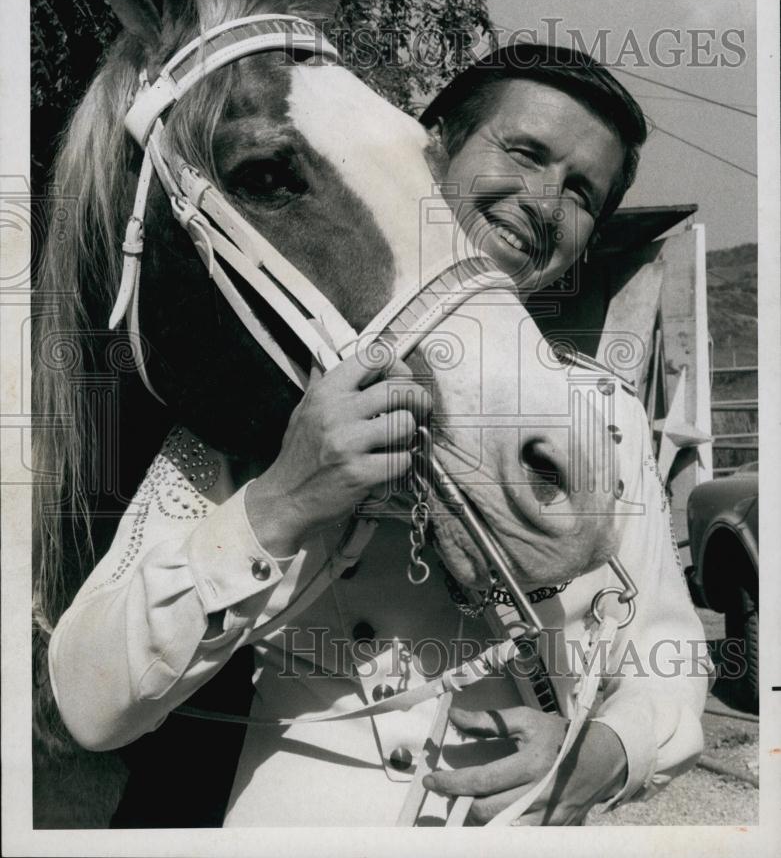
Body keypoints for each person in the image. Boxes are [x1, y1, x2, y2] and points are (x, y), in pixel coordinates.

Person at [47, 42, 708, 828]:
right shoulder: (267, 396)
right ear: (426, 156)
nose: (541, 198)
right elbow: (91, 702)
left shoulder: (604, 415)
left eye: (581, 193)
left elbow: (664, 662)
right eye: (523, 152)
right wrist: (283, 500)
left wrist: (601, 754)